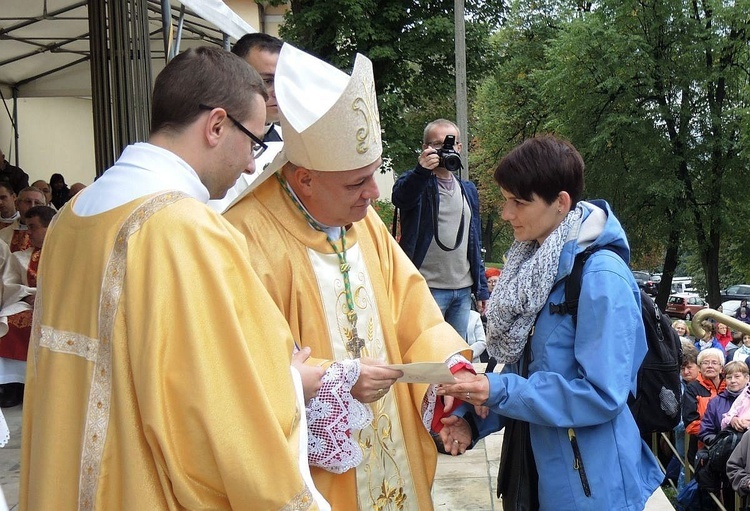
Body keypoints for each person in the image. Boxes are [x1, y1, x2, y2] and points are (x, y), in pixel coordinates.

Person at [19, 46, 326, 511]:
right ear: (217, 125)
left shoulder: (71, 217)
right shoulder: (185, 229)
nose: (249, 165)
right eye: (254, 142)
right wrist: (291, 383)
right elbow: (213, 406)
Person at [224, 43, 474, 511]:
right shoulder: (243, 235)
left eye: (372, 175)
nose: (373, 193)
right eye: (356, 183)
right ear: (304, 180)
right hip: (320, 470)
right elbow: (238, 368)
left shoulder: (364, 221)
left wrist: (448, 371)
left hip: (391, 442)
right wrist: (334, 384)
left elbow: (412, 309)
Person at [435, 134, 664, 510]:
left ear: (561, 202)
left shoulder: (601, 277)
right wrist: (473, 420)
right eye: (506, 200)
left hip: (591, 487)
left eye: (518, 202)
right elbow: (532, 373)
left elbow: (602, 395)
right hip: (534, 471)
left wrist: (496, 389)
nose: (507, 214)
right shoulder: (534, 265)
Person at [392, 119, 489, 340]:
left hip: (463, 291)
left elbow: (475, 240)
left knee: (456, 356)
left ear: (460, 148)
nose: (445, 150)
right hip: (426, 289)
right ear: (425, 147)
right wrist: (421, 172)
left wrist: (481, 288)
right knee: (426, 354)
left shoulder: (468, 190)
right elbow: (400, 198)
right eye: (436, 144)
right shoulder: (415, 182)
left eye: (450, 144)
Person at [208, 33, 284, 213]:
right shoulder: (214, 144)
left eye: (282, 81)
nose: (278, 91)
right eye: (267, 81)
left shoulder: (291, 144)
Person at [0, 205, 54, 408]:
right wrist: (29, 295)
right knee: (9, 324)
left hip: (61, 309)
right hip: (30, 305)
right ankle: (16, 385)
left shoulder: (71, 254)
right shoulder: (20, 258)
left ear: (49, 227)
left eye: (33, 227)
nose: (28, 233)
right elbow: (11, 286)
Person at [682, 347, 726, 464]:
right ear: (700, 367)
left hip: (730, 445)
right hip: (702, 447)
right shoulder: (692, 389)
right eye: (705, 363)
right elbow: (691, 422)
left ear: (721, 367)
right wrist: (714, 438)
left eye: (714, 363)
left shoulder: (730, 387)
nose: (710, 366)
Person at [0, 187, 46, 253]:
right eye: (28, 202)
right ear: (17, 205)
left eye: (37, 202)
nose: (32, 206)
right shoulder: (3, 235)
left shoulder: (49, 234)